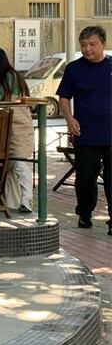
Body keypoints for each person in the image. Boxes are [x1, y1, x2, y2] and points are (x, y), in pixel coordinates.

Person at [56, 25, 111, 233]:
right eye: (83, 45)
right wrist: (69, 119)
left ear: (103, 44)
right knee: (85, 178)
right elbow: (63, 97)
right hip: (85, 133)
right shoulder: (74, 69)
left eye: (92, 44)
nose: (87, 49)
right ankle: (85, 213)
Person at [0, 46, 34, 214]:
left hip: (18, 128)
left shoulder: (10, 77)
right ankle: (11, 202)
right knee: (10, 166)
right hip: (6, 128)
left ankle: (27, 200)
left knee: (20, 164)